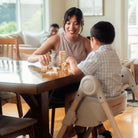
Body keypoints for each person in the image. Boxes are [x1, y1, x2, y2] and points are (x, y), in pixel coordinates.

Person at [28, 7, 91, 137]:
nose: (71, 27)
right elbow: (31, 57)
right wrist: (39, 57)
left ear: (81, 24)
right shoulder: (56, 39)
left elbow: (94, 65)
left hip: (78, 86)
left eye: (76, 23)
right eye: (68, 23)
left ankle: (71, 129)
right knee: (37, 98)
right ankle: (53, 132)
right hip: (56, 88)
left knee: (84, 89)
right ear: (64, 24)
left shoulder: (85, 42)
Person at [66, 21, 122, 138]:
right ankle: (98, 129)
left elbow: (76, 71)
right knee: (83, 93)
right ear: (112, 39)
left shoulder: (96, 55)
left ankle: (75, 128)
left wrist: (71, 59)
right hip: (115, 101)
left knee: (71, 97)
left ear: (94, 40)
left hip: (99, 104)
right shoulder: (114, 53)